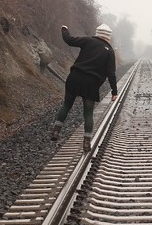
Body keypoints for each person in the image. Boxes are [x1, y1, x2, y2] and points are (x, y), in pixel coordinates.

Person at [50, 24, 118, 152]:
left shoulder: (88, 41)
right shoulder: (109, 51)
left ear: (97, 33)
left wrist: (64, 29)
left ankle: (55, 131)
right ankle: (86, 143)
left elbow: (69, 40)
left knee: (67, 105)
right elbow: (111, 74)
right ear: (109, 37)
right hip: (91, 84)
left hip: (75, 77)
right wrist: (114, 92)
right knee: (88, 113)